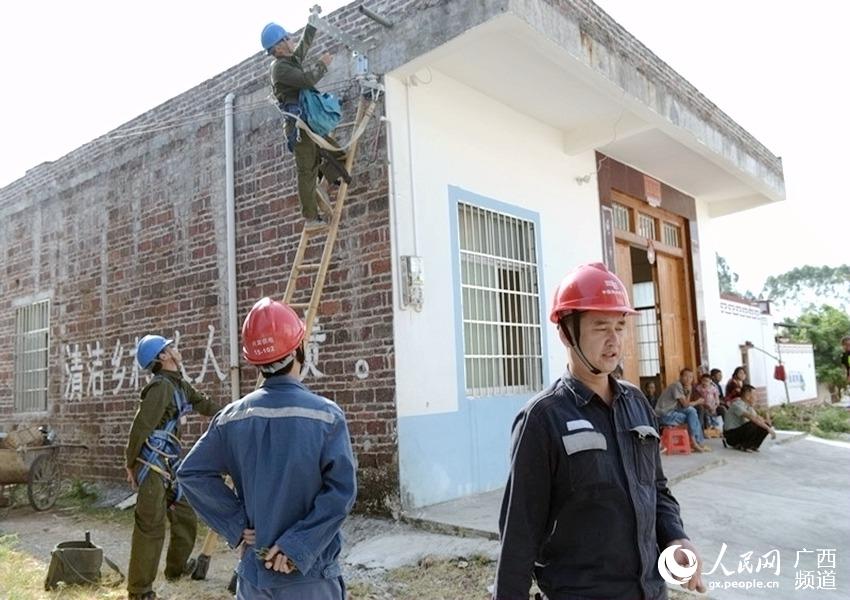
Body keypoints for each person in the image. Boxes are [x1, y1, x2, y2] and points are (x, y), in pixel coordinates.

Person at [493, 263, 704, 600]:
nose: (614, 340)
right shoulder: (542, 418)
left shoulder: (636, 402)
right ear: (566, 332)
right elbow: (520, 531)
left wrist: (676, 537)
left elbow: (656, 489)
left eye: (620, 327)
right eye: (600, 327)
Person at [177, 297, 356, 600]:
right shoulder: (326, 417)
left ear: (255, 363)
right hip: (308, 577)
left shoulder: (231, 418)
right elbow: (341, 494)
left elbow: (192, 473)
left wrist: (235, 523)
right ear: (299, 349)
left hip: (254, 576)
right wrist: (297, 545)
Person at [125, 335, 219, 600]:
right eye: (171, 348)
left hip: (169, 464)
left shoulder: (179, 385)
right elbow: (141, 427)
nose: (176, 350)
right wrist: (130, 463)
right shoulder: (160, 388)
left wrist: (235, 411)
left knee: (186, 516)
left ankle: (176, 569)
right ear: (164, 356)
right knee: (150, 527)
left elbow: (204, 404)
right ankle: (140, 591)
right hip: (151, 466)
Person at [261, 21, 347, 228]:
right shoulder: (280, 69)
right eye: (288, 38)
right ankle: (310, 217)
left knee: (337, 153)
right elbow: (307, 80)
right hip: (299, 128)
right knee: (306, 171)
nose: (292, 40)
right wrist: (323, 64)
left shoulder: (288, 61)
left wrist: (312, 23)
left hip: (307, 124)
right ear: (279, 46)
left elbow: (302, 47)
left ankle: (325, 183)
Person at [655, 368, 711, 453]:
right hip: (664, 415)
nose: (688, 379)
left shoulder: (682, 386)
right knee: (691, 414)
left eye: (691, 377)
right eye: (686, 376)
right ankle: (696, 442)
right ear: (680, 377)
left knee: (691, 412)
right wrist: (697, 402)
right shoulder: (676, 385)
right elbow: (685, 405)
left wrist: (689, 391)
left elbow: (685, 405)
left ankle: (695, 442)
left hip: (672, 412)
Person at [723, 384, 776, 452]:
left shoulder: (748, 406)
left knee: (764, 424)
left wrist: (767, 421)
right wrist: (768, 428)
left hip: (739, 432)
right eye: (754, 394)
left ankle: (753, 445)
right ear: (747, 396)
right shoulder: (737, 404)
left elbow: (758, 419)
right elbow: (752, 418)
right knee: (753, 424)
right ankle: (745, 446)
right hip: (731, 436)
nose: (756, 397)